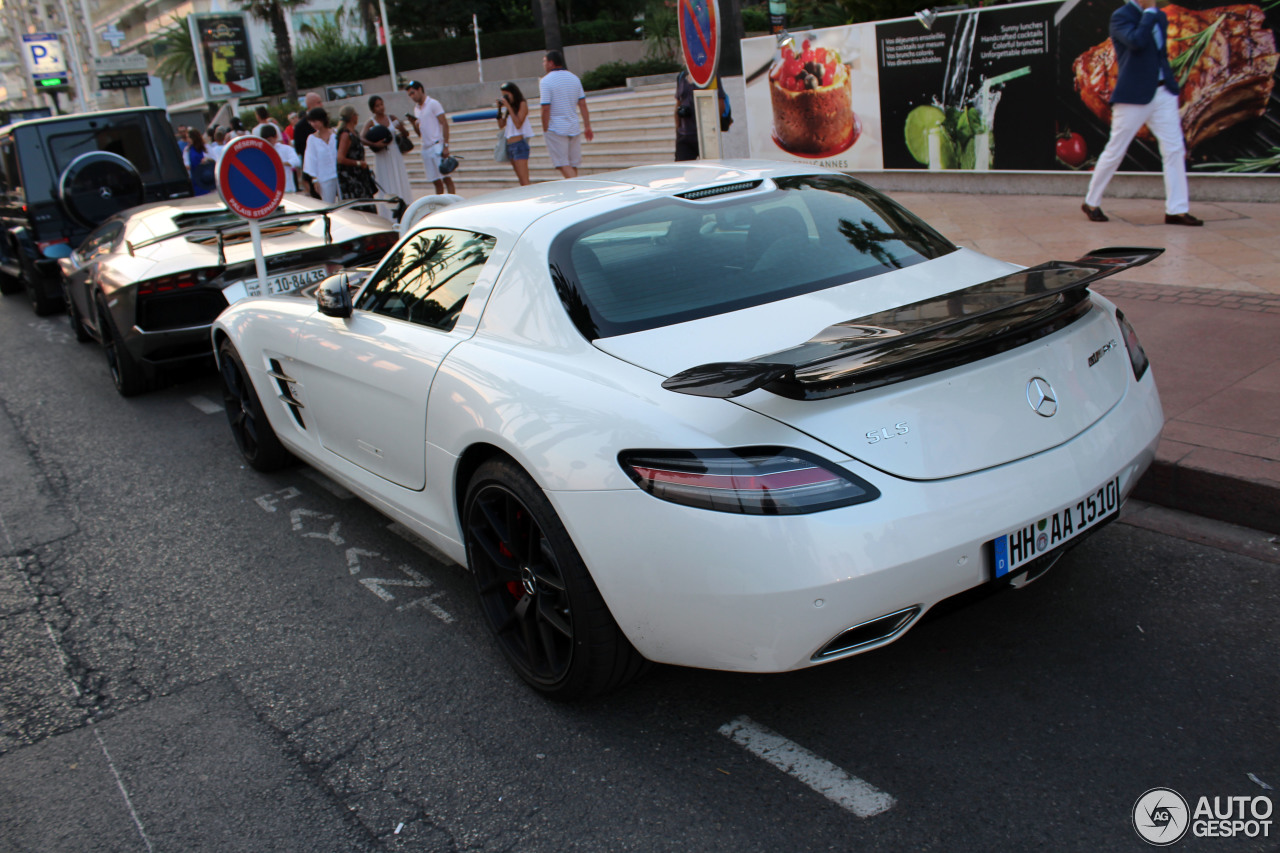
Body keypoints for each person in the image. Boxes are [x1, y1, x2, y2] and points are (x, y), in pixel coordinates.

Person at [1082, 0, 1202, 226]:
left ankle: (1176, 209)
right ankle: (1091, 202)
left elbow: (1159, 52)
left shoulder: (1160, 16)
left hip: (1162, 92)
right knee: (1116, 149)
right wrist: (1148, 13)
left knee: (1174, 148)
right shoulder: (1121, 16)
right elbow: (1136, 42)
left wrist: (1170, 83)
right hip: (1133, 95)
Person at [539, 50, 593, 178]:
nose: (543, 64)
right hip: (573, 125)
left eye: (544, 61)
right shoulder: (574, 78)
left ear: (551, 63)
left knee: (562, 164)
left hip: (556, 127)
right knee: (572, 164)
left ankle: (576, 188)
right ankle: (575, 190)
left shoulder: (545, 81)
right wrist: (587, 126)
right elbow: (583, 104)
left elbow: (545, 107)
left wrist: (545, 127)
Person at [363, 95, 412, 218]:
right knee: (387, 182)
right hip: (382, 156)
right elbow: (361, 137)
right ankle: (389, 214)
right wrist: (374, 144)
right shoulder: (371, 122)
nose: (381, 108)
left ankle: (404, 210)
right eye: (377, 106)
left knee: (399, 179)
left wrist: (401, 128)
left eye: (382, 104)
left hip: (395, 154)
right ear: (373, 108)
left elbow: (406, 134)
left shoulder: (391, 118)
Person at [405, 80, 456, 195]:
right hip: (426, 147)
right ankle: (439, 203)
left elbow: (444, 123)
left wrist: (446, 145)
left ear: (420, 90)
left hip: (437, 144)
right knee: (435, 181)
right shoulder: (416, 109)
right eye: (410, 95)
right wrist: (414, 124)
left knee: (446, 177)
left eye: (413, 93)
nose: (412, 96)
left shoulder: (433, 104)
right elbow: (420, 133)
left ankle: (453, 202)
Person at [336, 105, 378, 211]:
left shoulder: (354, 133)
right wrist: (358, 163)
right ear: (352, 117)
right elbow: (340, 158)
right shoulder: (346, 135)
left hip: (360, 176)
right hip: (351, 178)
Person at [496, 82, 534, 186]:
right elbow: (501, 125)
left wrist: (508, 107)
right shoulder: (510, 109)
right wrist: (499, 109)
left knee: (524, 180)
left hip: (519, 145)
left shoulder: (522, 104)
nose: (505, 97)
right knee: (520, 180)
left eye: (507, 95)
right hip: (510, 146)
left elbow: (518, 124)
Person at [304, 107, 339, 204]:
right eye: (311, 122)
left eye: (315, 121)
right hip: (324, 177)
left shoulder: (336, 133)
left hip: (340, 174)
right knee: (328, 204)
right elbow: (311, 159)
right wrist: (314, 179)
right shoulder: (312, 139)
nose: (313, 124)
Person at [295, 92, 324, 198]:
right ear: (310, 106)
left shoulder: (324, 122)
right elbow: (300, 148)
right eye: (318, 103)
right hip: (313, 169)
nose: (322, 105)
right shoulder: (301, 126)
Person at [260, 124, 301, 193]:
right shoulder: (261, 152)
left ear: (276, 137)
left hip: (287, 187)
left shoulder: (286, 149)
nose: (268, 143)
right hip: (271, 189)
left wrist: (281, 163)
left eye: (269, 140)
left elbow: (296, 161)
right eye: (265, 141)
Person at [185, 129, 215, 196]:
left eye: (188, 137)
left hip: (206, 178)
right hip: (195, 179)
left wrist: (207, 160)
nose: (187, 139)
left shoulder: (206, 147)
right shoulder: (187, 150)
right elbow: (186, 163)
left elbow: (214, 159)